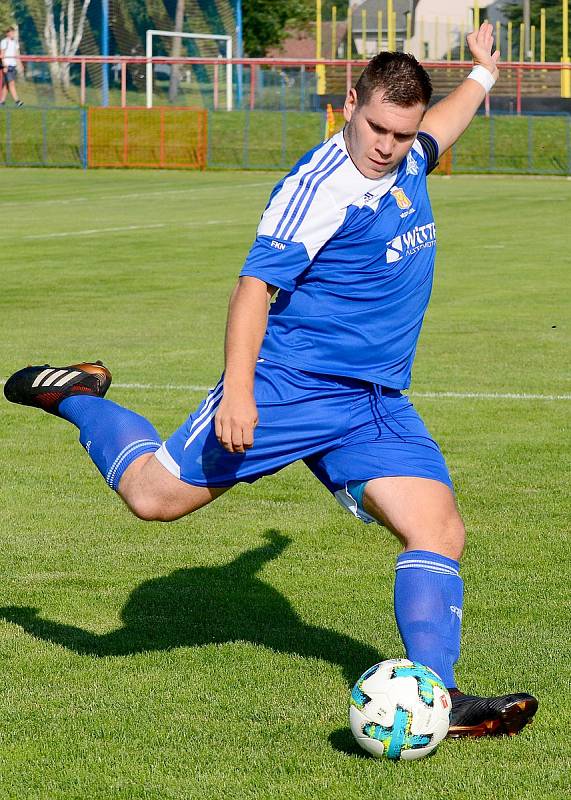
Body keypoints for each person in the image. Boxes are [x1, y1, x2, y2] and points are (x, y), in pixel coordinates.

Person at [5, 24, 537, 739]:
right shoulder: (322, 187)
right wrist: (240, 391)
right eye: (376, 127)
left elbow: (441, 126)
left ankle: (436, 698)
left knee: (438, 529)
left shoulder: (406, 156)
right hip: (289, 386)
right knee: (152, 498)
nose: (386, 146)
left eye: (401, 135)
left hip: (371, 401)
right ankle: (73, 395)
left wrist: (481, 76)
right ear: (349, 103)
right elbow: (253, 289)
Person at [0, 26, 23, 107]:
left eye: (14, 32)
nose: (13, 34)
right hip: (7, 66)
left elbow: (17, 54)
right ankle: (17, 101)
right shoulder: (4, 42)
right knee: (11, 84)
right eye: (12, 32)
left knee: (6, 85)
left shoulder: (15, 42)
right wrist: (4, 66)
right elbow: (2, 55)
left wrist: (20, 64)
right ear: (8, 33)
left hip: (13, 65)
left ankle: (1, 102)